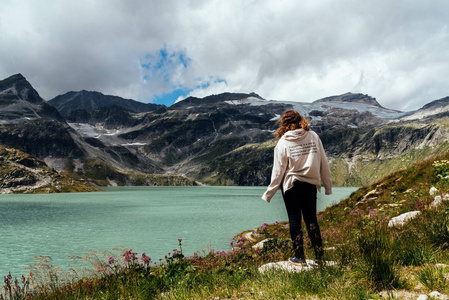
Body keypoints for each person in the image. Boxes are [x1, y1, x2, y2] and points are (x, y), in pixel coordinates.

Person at [262, 110, 332, 266]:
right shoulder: (313, 136)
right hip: (310, 184)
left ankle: (299, 257)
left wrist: (269, 193)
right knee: (311, 219)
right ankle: (320, 258)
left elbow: (278, 170)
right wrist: (327, 186)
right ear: (301, 120)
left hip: (291, 185)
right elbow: (323, 162)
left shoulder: (283, 142)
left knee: (294, 220)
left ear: (284, 124)